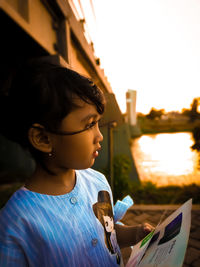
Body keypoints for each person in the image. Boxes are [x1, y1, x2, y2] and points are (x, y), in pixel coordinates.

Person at [0, 59, 152, 266]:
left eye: (98, 123)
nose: (99, 136)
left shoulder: (98, 182)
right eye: (90, 124)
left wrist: (134, 233)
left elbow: (107, 233)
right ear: (43, 139)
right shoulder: (17, 221)